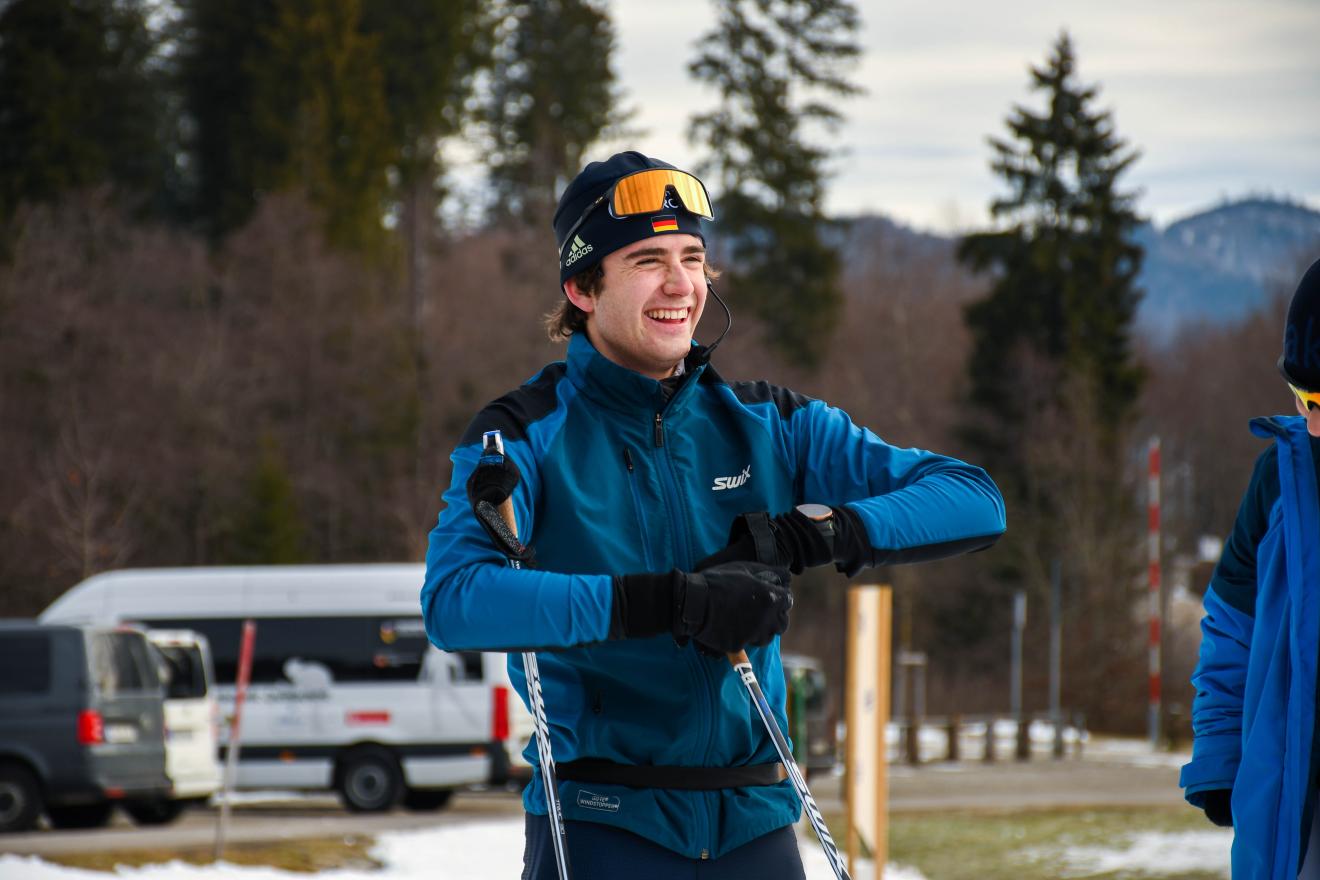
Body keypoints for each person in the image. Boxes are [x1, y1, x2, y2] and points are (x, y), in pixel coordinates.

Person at [422, 151, 1006, 878]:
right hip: (604, 826)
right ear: (581, 287)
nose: (680, 284)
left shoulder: (766, 422)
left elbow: (973, 499)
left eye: (693, 257)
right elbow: (455, 601)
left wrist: (807, 534)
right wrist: (669, 602)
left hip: (754, 826)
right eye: (647, 260)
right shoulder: (524, 434)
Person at [1181, 256, 1320, 880]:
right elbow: (1230, 632)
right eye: (1303, 396)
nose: (1312, 419)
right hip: (1295, 815)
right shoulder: (1278, 479)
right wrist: (1219, 759)